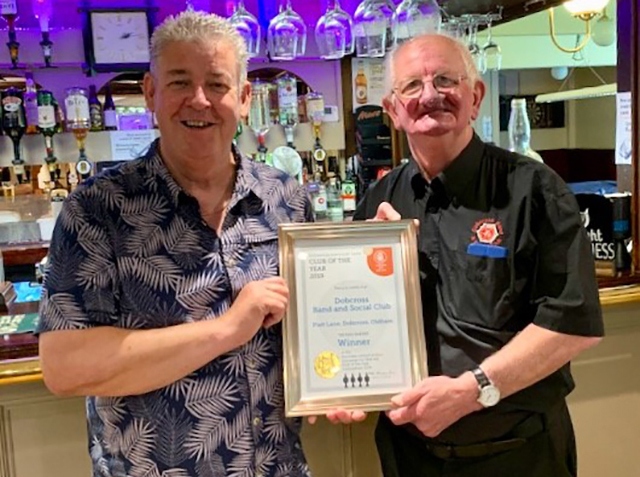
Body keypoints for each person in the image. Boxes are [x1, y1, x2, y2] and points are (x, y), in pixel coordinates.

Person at [37, 10, 313, 477]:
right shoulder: (97, 210)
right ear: (151, 93)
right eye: (181, 82)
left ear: (244, 98)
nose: (199, 100)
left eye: (218, 85)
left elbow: (314, 328)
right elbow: (65, 367)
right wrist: (229, 328)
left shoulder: (286, 197)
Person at [343, 34, 604, 476]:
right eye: (412, 86)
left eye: (446, 80)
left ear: (475, 97)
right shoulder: (379, 200)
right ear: (392, 110)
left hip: (519, 455)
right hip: (410, 458)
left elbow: (573, 324)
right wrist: (343, 385)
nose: (430, 95)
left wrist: (473, 390)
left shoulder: (534, 190)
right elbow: (356, 316)